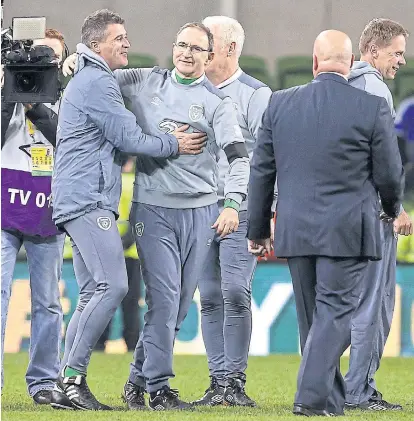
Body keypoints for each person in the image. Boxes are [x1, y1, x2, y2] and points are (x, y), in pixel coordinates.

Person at [49, 9, 206, 411]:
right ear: (98, 43)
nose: (127, 43)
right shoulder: (97, 82)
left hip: (78, 195)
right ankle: (71, 379)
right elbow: (128, 136)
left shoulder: (89, 77)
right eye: (120, 38)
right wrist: (174, 144)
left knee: (90, 292)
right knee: (113, 286)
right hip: (88, 198)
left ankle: (69, 382)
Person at [247, 30, 404, 416]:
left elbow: (261, 172)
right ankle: (311, 397)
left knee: (313, 320)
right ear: (350, 64)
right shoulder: (372, 106)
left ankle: (330, 402)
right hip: (348, 229)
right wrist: (391, 206)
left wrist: (257, 228)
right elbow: (389, 172)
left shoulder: (279, 104)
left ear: (314, 62)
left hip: (296, 229)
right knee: (336, 316)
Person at [111, 22, 250, 411]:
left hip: (202, 213)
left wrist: (232, 203)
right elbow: (99, 73)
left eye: (196, 49)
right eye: (181, 45)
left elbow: (240, 157)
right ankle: (160, 389)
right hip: (153, 209)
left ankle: (135, 383)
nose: (187, 53)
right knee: (165, 301)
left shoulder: (218, 103)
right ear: (173, 47)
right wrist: (72, 61)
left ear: (209, 57)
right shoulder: (145, 81)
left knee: (178, 308)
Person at [190, 15, 272, 407]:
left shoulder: (257, 95)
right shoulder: (188, 92)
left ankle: (234, 382)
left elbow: (271, 158)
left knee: (235, 291)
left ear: (231, 48)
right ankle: (217, 380)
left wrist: (265, 213)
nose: (200, 49)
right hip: (199, 210)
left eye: (208, 41)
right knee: (208, 296)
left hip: (239, 210)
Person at [345, 18, 412, 411]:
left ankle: (329, 387)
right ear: (372, 50)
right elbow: (383, 160)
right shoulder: (377, 91)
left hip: (339, 213)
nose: (401, 61)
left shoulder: (341, 85)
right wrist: (397, 208)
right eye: (397, 52)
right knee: (375, 303)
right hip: (373, 212)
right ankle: (359, 392)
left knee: (338, 306)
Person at [1, 29, 66, 405]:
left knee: (48, 301)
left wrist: (36, 107)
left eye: (50, 57)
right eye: (37, 56)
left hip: (49, 210)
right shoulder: (7, 91)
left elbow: (69, 141)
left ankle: (43, 381)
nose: (42, 64)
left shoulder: (70, 98)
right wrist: (8, 95)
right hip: (4, 205)